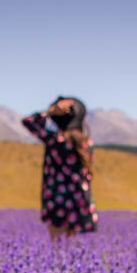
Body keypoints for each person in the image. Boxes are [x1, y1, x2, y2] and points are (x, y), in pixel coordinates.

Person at [21, 96, 98, 239]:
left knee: (58, 249)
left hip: (57, 202)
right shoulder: (87, 143)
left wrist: (50, 111)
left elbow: (28, 121)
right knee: (77, 251)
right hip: (81, 202)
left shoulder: (55, 141)